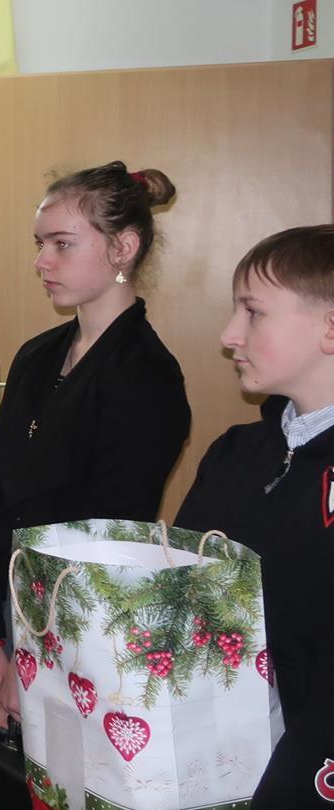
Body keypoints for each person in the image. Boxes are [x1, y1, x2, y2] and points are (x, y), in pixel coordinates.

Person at [0, 162, 190, 730]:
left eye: (62, 244)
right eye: (40, 244)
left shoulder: (145, 375)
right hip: (15, 609)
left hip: (80, 628)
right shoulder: (37, 355)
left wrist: (36, 652)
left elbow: (107, 536)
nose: (42, 261)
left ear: (123, 248)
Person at [174, 225, 334, 806]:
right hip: (217, 759)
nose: (229, 334)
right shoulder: (235, 453)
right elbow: (180, 595)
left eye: (254, 312)